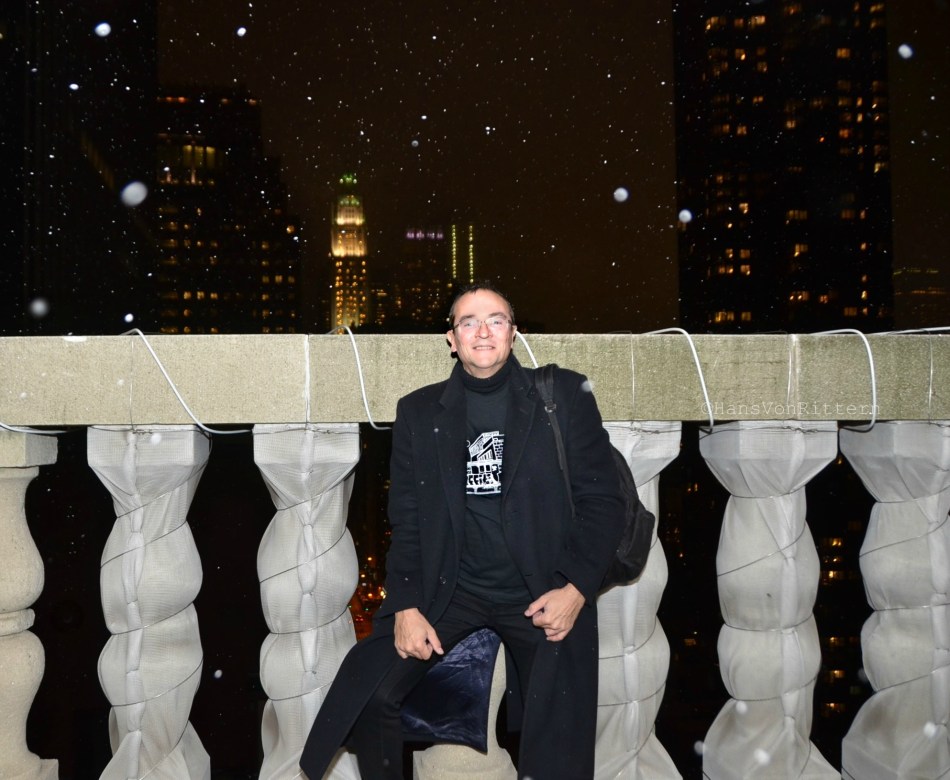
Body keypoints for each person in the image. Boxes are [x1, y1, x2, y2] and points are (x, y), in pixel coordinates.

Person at [300, 282, 626, 779]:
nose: (483, 331)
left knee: (556, 739)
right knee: (372, 696)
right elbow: (407, 517)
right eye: (468, 322)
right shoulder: (419, 411)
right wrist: (406, 604)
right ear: (451, 339)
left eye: (495, 320)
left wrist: (576, 590)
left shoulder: (561, 395)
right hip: (453, 592)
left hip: (543, 591)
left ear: (513, 332)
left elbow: (603, 502)